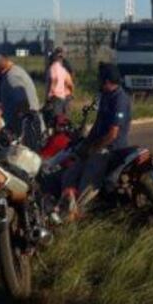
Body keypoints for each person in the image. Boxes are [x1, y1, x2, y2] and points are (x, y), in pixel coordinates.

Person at [60, 63, 132, 217]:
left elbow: (113, 134)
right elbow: (98, 126)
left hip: (110, 149)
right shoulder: (105, 96)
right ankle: (66, 205)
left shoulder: (120, 99)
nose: (98, 82)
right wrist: (84, 145)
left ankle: (80, 212)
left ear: (107, 81)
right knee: (70, 173)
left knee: (89, 179)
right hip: (96, 145)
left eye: (100, 79)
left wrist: (94, 149)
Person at [0, 49, 42, 148]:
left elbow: (23, 105)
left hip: (27, 133)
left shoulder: (12, 77)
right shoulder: (11, 73)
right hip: (25, 131)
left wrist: (15, 134)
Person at [45, 47, 75, 121]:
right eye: (58, 54)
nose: (60, 56)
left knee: (63, 118)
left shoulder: (65, 65)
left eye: (61, 54)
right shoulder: (55, 65)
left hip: (64, 94)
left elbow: (70, 77)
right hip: (61, 94)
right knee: (60, 118)